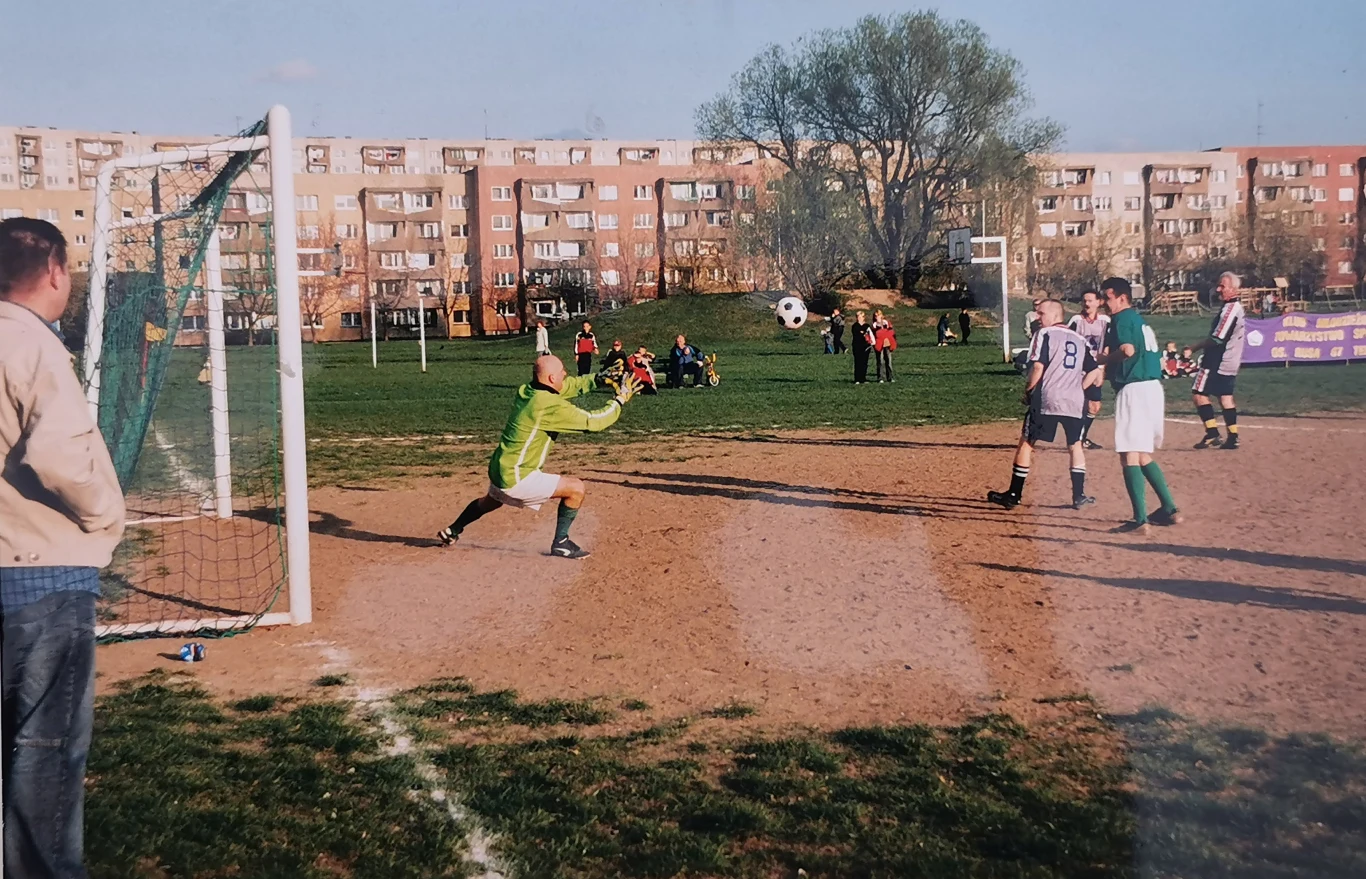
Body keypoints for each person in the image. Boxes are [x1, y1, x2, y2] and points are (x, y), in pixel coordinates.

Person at [1, 217, 126, 877]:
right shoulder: (35, 343)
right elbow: (56, 456)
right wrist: (105, 514)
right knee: (43, 756)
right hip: (43, 578)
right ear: (53, 272)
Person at [438, 355, 641, 558]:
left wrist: (595, 379)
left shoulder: (528, 390)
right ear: (552, 378)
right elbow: (594, 422)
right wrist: (620, 399)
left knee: (489, 501)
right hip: (517, 477)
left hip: (500, 468)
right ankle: (561, 543)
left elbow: (567, 386)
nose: (565, 373)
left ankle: (453, 530)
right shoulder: (548, 406)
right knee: (576, 489)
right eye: (562, 371)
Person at [988, 299, 1102, 511]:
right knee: (1075, 445)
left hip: (1048, 398)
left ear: (1055, 315)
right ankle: (1079, 496)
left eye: (1041, 314)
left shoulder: (1045, 334)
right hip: (1074, 401)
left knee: (1027, 442)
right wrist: (1078, 388)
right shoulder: (1080, 338)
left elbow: (1038, 367)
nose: (1037, 318)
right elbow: (1095, 371)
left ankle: (1013, 494)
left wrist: (1029, 391)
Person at [1100, 277, 1182, 534]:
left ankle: (1139, 520)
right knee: (1142, 453)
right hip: (1152, 387)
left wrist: (1103, 359)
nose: (1105, 303)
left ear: (1121, 298)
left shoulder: (1122, 318)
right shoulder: (1138, 319)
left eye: (1108, 298)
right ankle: (1169, 508)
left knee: (1128, 454)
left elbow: (1127, 351)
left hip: (1134, 387)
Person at [1190, 271, 1247, 451]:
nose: (1218, 289)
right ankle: (1233, 436)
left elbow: (1217, 338)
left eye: (1223, 286)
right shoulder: (1235, 308)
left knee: (1198, 392)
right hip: (1231, 360)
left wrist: (1193, 347)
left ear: (1234, 289)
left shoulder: (1230, 310)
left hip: (1217, 359)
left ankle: (1212, 433)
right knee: (1225, 397)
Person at [1066, 289, 1110, 450]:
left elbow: (1107, 345)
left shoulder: (1105, 320)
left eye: (1090, 300)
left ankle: (1081, 438)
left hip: (1096, 368)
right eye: (1084, 300)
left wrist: (1101, 368)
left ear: (1099, 302)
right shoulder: (1076, 320)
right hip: (1078, 369)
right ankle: (1075, 438)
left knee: (1094, 406)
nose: (1087, 303)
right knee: (1077, 404)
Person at [851, 310, 875, 384]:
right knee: (858, 362)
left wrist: (864, 334)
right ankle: (857, 379)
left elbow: (869, 334)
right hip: (857, 346)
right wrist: (863, 333)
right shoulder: (855, 326)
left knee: (864, 362)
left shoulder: (867, 326)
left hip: (866, 346)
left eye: (860, 317)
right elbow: (857, 334)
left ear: (863, 317)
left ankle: (863, 378)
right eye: (858, 316)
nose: (859, 318)